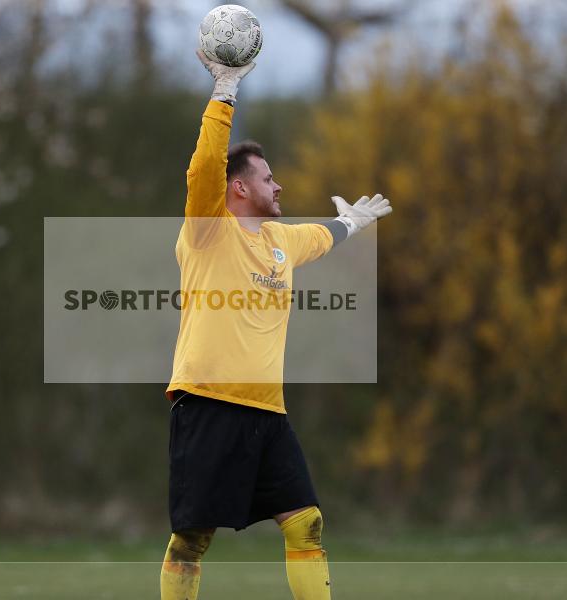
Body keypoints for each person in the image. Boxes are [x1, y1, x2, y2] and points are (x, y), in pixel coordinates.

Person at [160, 49, 392, 600]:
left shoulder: (280, 242)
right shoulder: (208, 231)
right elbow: (202, 168)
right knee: (190, 539)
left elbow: (319, 238)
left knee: (305, 522)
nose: (279, 186)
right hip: (209, 402)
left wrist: (348, 222)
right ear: (238, 188)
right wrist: (224, 93)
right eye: (268, 178)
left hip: (269, 411)